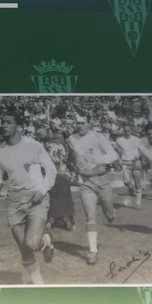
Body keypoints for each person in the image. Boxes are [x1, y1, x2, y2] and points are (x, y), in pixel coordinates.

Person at [0, 111, 58, 284]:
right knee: (24, 248)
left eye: (9, 122)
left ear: (18, 126)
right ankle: (39, 284)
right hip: (14, 201)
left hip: (37, 198)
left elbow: (51, 169)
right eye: (2, 122)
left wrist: (43, 189)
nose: (4, 126)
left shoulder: (33, 146)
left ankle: (46, 240)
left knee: (32, 244)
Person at [64, 113, 123, 265]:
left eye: (82, 123)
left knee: (109, 216)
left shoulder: (98, 137)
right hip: (86, 182)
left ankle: (111, 212)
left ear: (89, 123)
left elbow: (112, 154)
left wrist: (99, 165)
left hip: (102, 179)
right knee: (90, 216)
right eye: (77, 123)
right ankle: (93, 252)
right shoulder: (71, 139)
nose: (79, 126)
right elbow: (73, 157)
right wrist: (74, 169)